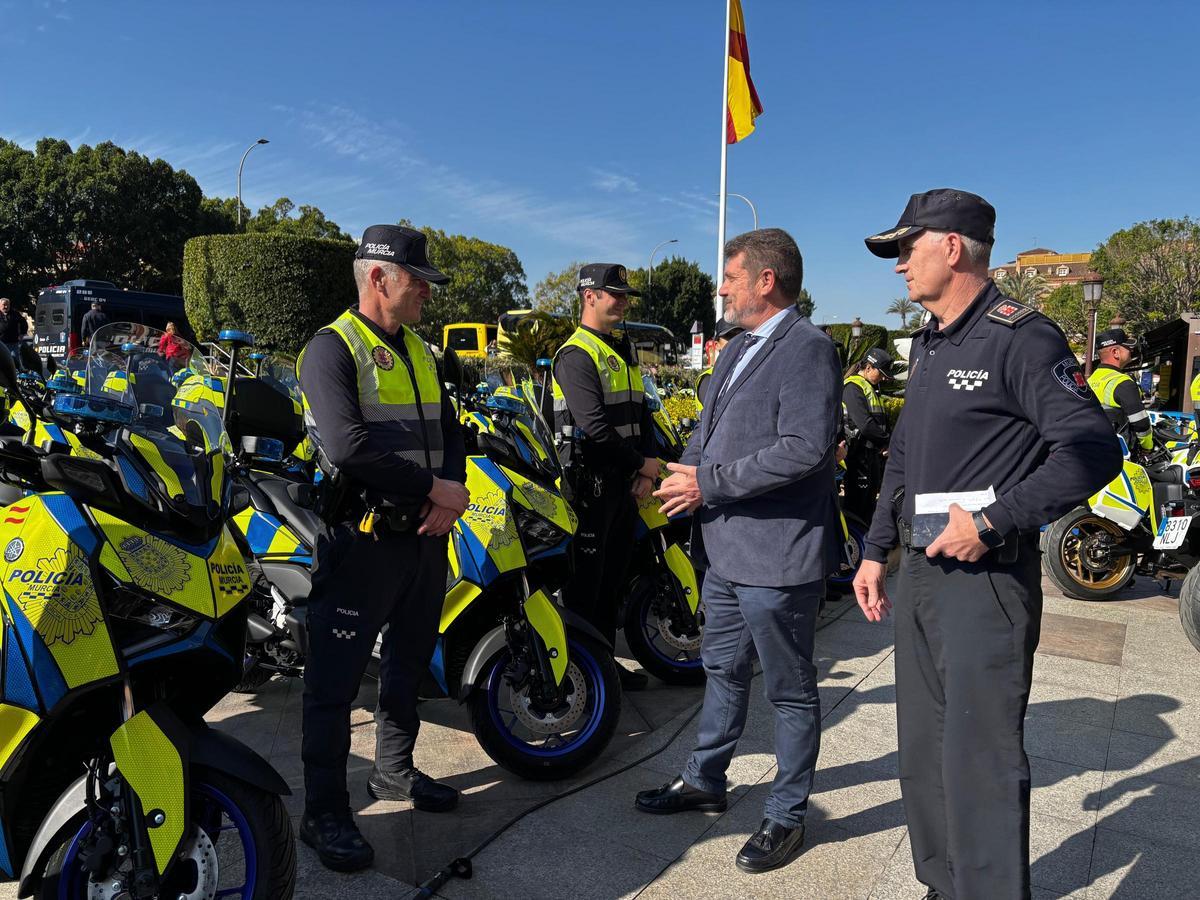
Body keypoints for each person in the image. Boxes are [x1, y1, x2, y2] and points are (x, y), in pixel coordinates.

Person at [852, 189, 1123, 900]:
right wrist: (877, 550)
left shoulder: (1021, 336)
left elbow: (1093, 450)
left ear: (951, 246)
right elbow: (905, 457)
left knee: (980, 762)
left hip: (985, 585)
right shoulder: (932, 341)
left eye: (907, 249)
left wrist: (997, 520)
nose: (899, 266)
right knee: (922, 755)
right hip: (919, 577)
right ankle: (944, 886)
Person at [636, 228, 841, 874]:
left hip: (778, 557)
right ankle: (705, 778)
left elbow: (806, 448)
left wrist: (711, 483)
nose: (720, 287)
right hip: (723, 552)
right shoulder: (733, 351)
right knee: (720, 669)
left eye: (729, 277)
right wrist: (681, 474)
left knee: (790, 691)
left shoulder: (808, 349)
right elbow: (708, 432)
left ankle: (786, 815)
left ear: (765, 281)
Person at [296, 224, 469, 872]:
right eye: (418, 280)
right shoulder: (331, 350)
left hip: (423, 541)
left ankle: (395, 773)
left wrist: (446, 494)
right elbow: (347, 447)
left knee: (407, 667)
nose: (427, 292)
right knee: (332, 687)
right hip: (363, 544)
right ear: (378, 278)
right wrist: (435, 489)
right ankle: (325, 813)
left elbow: (450, 429)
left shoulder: (421, 351)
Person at [551, 263, 659, 691]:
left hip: (623, 484)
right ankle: (584, 677)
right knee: (586, 589)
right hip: (589, 487)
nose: (624, 301)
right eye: (615, 294)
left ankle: (604, 668)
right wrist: (641, 465)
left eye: (625, 294)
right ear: (589, 295)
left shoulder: (622, 350)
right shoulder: (576, 354)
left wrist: (645, 467)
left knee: (612, 583)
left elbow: (643, 414)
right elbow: (594, 427)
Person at [841, 347, 893, 521]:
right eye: (882, 373)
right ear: (869, 367)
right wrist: (888, 442)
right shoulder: (853, 387)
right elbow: (865, 424)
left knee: (870, 502)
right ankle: (854, 545)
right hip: (858, 456)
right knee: (858, 506)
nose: (884, 378)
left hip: (871, 455)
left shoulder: (871, 387)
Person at [1088, 328, 1153, 454]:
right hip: (1118, 454)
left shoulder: (1091, 380)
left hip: (1094, 448)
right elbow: (1141, 423)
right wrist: (1148, 447)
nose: (1131, 350)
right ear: (1115, 352)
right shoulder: (1123, 383)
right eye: (1128, 348)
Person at [695, 317, 744, 406]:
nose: (735, 340)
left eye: (739, 335)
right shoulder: (709, 378)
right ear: (717, 345)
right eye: (729, 336)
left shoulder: (746, 372)